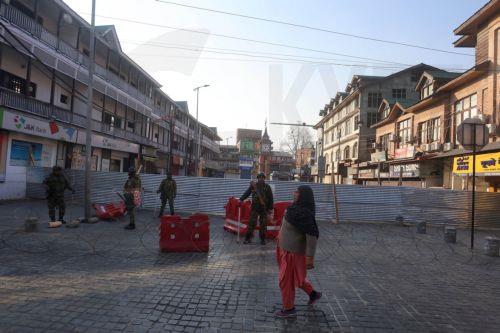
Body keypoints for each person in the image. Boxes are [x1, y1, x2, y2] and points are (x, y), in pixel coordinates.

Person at [275, 185, 322, 318]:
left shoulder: (305, 214)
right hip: (284, 249)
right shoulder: (294, 208)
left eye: (297, 192)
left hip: (293, 254)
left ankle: (289, 309)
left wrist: (309, 257)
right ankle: (313, 294)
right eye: (295, 191)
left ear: (303, 196)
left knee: (285, 280)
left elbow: (312, 237)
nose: (294, 193)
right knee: (296, 277)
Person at [239, 172, 273, 245]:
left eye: (262, 177)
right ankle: (248, 238)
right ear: (258, 178)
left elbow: (271, 198)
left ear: (264, 178)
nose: (261, 179)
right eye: (260, 177)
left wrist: (270, 208)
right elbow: (247, 193)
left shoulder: (267, 187)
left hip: (264, 208)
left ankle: (263, 239)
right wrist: (241, 199)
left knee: (263, 225)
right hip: (255, 208)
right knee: (251, 223)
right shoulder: (254, 186)